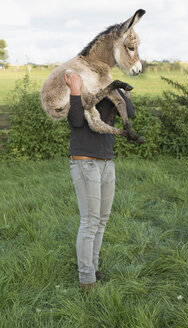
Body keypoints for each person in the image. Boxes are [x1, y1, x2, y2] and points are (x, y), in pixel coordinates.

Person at [64, 72, 135, 290]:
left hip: (106, 161)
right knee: (90, 221)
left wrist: (118, 89)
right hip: (85, 161)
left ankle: (93, 268)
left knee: (102, 219)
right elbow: (76, 121)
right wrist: (75, 90)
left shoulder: (110, 90)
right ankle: (86, 280)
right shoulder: (81, 88)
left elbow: (130, 112)